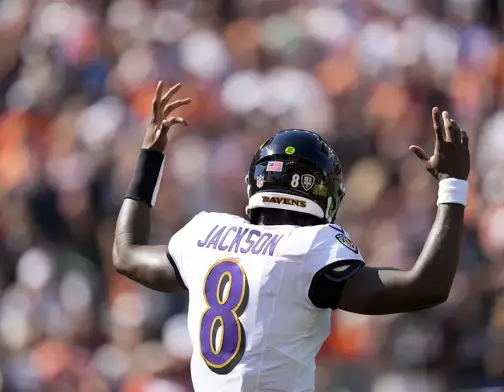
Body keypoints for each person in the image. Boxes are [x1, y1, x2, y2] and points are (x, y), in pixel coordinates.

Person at [112, 81, 470, 392]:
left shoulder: (205, 234)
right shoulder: (310, 250)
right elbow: (427, 287)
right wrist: (452, 186)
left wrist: (151, 157)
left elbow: (126, 253)